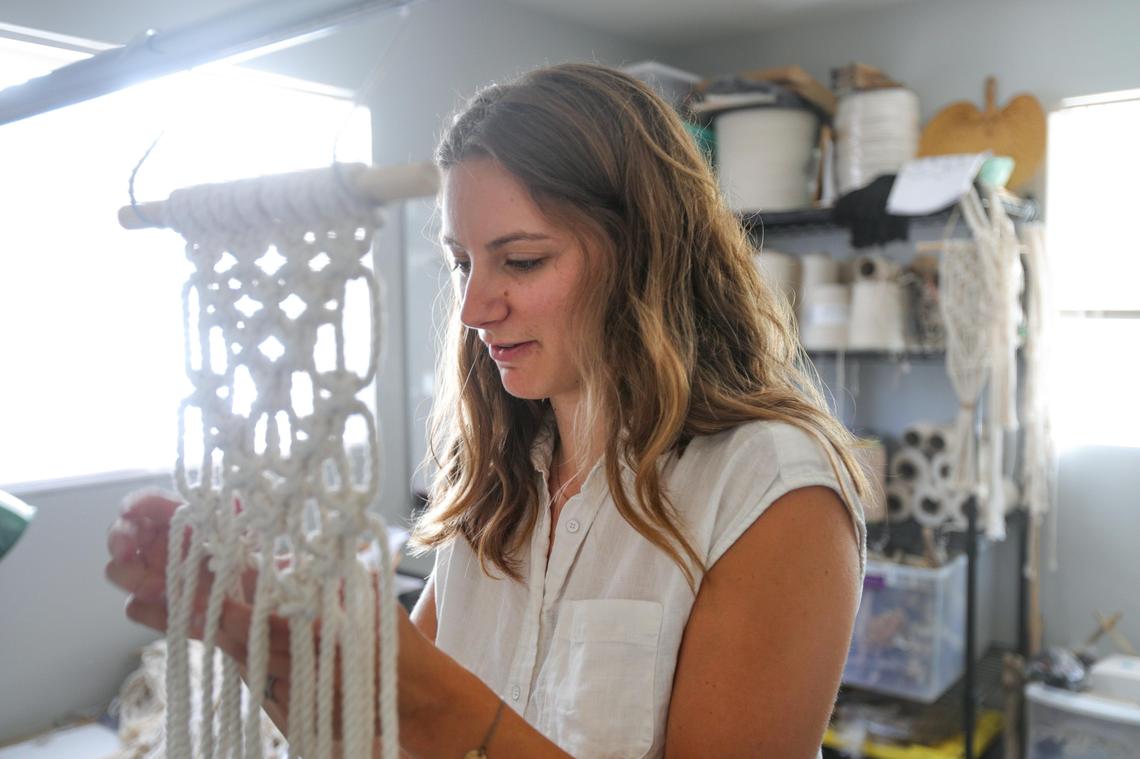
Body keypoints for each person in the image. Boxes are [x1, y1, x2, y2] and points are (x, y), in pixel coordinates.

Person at [107, 63, 867, 758]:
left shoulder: (772, 494)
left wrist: (425, 694)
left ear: (645, 251)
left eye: (523, 260)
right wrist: (267, 644)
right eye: (462, 262)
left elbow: (429, 718)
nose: (472, 306)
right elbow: (389, 743)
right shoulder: (496, 489)